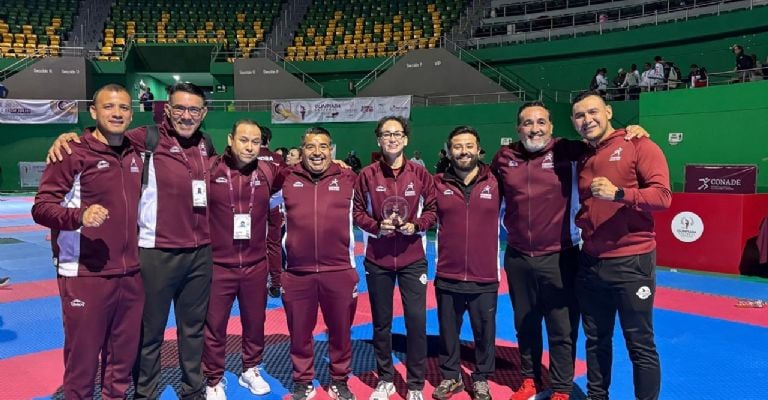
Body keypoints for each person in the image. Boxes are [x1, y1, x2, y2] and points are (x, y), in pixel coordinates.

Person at [48, 82, 217, 399]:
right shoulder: (145, 138)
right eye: (179, 108)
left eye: (194, 109)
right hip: (155, 252)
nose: (186, 115)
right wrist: (69, 137)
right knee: (147, 332)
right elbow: (106, 135)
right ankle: (145, 392)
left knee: (193, 329)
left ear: (204, 113)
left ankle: (194, 391)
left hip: (198, 253)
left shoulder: (206, 143)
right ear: (167, 109)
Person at [492, 101, 650, 400]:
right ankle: (530, 378)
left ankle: (562, 387)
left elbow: (603, 143)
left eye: (541, 122)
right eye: (527, 123)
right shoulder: (504, 157)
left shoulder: (570, 151)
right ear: (518, 128)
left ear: (551, 127)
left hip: (562, 254)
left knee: (562, 326)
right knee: (524, 322)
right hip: (517, 255)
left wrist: (630, 132)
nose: (534, 128)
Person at [32, 84, 144, 398]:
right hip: (84, 272)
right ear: (93, 112)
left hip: (130, 272)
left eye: (123, 107)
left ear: (131, 114)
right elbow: (41, 207)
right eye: (108, 107)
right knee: (82, 360)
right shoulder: (72, 152)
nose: (117, 113)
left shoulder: (136, 152)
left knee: (121, 359)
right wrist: (79, 216)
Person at [570, 91, 671, 400]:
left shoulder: (639, 144)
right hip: (591, 261)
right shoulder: (584, 156)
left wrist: (620, 194)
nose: (587, 119)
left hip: (632, 261)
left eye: (593, 112)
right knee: (596, 339)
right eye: (579, 116)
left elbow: (663, 197)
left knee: (640, 343)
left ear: (609, 111)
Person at [354, 116, 437, 400]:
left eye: (397, 133)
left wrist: (418, 225)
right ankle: (386, 379)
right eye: (386, 134)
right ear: (378, 139)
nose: (392, 138)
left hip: (413, 259)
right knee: (381, 322)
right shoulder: (366, 175)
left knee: (416, 321)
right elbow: (356, 213)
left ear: (406, 139)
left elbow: (434, 209)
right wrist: (376, 227)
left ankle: (415, 384)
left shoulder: (420, 174)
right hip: (378, 259)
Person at [274, 127, 359, 400]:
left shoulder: (348, 178)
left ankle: (339, 379)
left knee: (341, 332)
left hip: (340, 271)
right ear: (302, 150)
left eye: (323, 146)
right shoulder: (285, 178)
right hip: (298, 273)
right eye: (311, 146)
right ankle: (303, 380)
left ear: (331, 149)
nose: (317, 152)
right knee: (299, 332)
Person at [202, 120, 281, 399]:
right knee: (214, 325)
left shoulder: (270, 171)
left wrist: (341, 165)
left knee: (255, 321)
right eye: (244, 140)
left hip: (255, 264)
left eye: (255, 141)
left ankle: (251, 369)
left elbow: (301, 175)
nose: (249, 146)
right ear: (230, 139)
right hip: (218, 265)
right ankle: (213, 378)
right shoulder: (210, 168)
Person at [431, 126, 500, 400]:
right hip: (448, 271)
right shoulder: (436, 183)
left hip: (485, 274)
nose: (463, 151)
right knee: (448, 332)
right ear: (449, 151)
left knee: (485, 332)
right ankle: (451, 377)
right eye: (457, 146)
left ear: (479, 148)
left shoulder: (497, 182)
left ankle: (482, 377)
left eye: (469, 145)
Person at [257, 127, 286, 299]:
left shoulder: (248, 156)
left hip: (250, 209)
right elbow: (284, 184)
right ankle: (276, 283)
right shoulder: (278, 159)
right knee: (273, 245)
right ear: (269, 140)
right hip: (273, 207)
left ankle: (256, 282)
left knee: (252, 245)